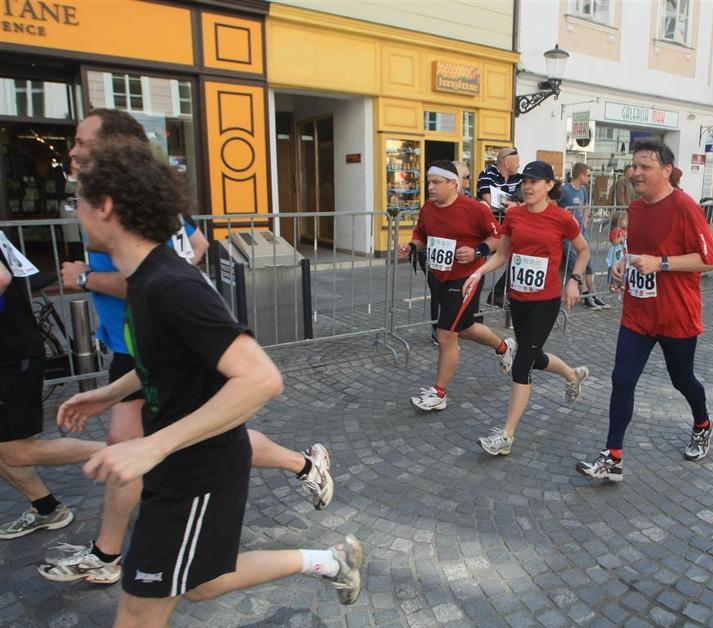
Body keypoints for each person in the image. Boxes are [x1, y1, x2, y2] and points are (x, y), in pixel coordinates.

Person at [61, 137, 363, 624]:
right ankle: (330, 561)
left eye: (77, 200)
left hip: (195, 472)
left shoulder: (171, 285)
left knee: (138, 610)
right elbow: (165, 361)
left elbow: (261, 378)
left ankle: (329, 560)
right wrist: (109, 394)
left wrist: (153, 446)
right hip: (180, 466)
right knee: (201, 585)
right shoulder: (143, 279)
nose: (73, 212)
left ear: (106, 206)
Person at [576, 139, 713, 482]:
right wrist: (624, 264)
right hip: (638, 313)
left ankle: (702, 423)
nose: (636, 172)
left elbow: (711, 260)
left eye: (645, 167)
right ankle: (613, 457)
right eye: (634, 166)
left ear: (666, 170)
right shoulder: (636, 208)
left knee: (682, 379)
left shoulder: (684, 206)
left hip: (676, 314)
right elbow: (640, 251)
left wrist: (662, 263)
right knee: (622, 379)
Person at [465, 161, 590, 456]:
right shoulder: (514, 215)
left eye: (535, 181)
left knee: (522, 365)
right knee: (533, 357)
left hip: (546, 301)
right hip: (518, 298)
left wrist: (574, 280)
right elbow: (503, 254)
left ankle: (506, 435)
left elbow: (584, 250)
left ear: (550, 185)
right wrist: (478, 272)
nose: (528, 186)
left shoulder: (562, 218)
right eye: (525, 181)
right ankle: (572, 375)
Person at [0, 237, 104, 539]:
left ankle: (130, 452)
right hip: (13, 347)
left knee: (16, 450)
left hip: (10, 353)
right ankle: (46, 508)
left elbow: (2, 279)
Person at [397, 160, 515, 412]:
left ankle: (439, 393)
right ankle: (504, 346)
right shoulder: (428, 208)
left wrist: (477, 251)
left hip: (466, 277)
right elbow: (421, 234)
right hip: (439, 276)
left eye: (436, 182)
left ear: (453, 184)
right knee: (464, 327)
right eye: (429, 182)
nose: (430, 187)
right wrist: (412, 247)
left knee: (445, 334)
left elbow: (498, 238)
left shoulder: (475, 209)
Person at [476, 148, 522, 306]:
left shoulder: (520, 178)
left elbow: (524, 202)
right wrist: (513, 203)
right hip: (486, 230)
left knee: (519, 258)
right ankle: (472, 303)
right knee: (478, 262)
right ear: (507, 163)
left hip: (508, 230)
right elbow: (489, 200)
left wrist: (512, 204)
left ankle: (497, 294)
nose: (519, 165)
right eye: (517, 162)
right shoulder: (488, 173)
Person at [562, 163, 609, 310]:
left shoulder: (583, 190)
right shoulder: (564, 190)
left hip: (581, 231)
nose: (589, 178)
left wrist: (585, 221)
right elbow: (556, 206)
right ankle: (585, 294)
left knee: (587, 263)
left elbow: (586, 205)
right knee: (576, 263)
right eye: (588, 175)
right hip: (568, 235)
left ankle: (593, 294)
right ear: (581, 175)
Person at [607, 210, 628, 293]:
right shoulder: (615, 231)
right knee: (614, 267)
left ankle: (621, 284)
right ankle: (613, 284)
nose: (627, 221)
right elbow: (614, 241)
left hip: (623, 252)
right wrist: (621, 237)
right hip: (616, 253)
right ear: (619, 220)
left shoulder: (624, 230)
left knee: (623, 268)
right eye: (625, 220)